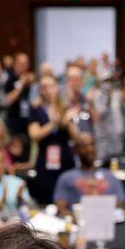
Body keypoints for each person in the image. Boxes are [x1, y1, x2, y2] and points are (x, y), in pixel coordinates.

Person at [28, 74, 79, 206]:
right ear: (40, 90)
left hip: (65, 159)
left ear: (57, 87)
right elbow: (35, 135)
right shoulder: (36, 110)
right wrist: (55, 123)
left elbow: (76, 136)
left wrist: (67, 121)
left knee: (68, 198)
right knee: (47, 199)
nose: (48, 90)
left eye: (51, 86)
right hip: (45, 161)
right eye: (44, 87)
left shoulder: (65, 107)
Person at [53, 131, 125, 216]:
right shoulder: (66, 178)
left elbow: (121, 204)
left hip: (107, 223)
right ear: (76, 150)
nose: (89, 149)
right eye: (84, 146)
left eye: (92, 145)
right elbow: (61, 208)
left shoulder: (110, 176)